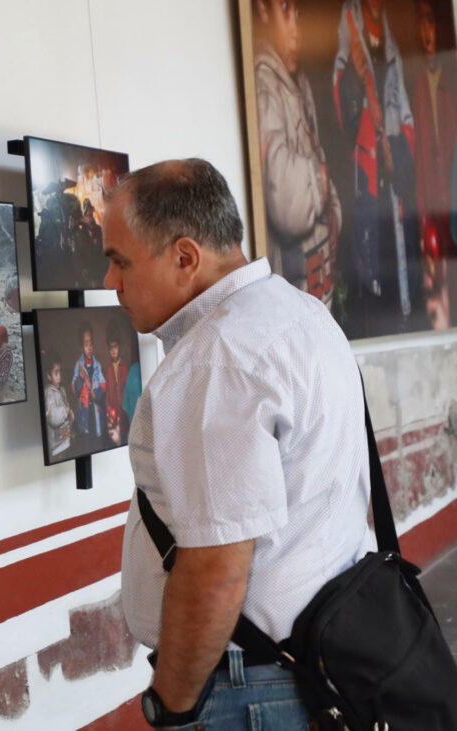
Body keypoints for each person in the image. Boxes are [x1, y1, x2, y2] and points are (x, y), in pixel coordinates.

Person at [105, 159, 371, 727]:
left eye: (119, 261)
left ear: (185, 257)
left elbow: (216, 570)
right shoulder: (298, 313)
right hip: (317, 658)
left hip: (251, 686)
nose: (111, 282)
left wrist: (172, 707)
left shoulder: (217, 358)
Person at [333, 0, 423, 333]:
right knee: (370, 269)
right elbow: (341, 110)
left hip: (394, 183)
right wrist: (356, 82)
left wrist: (395, 153)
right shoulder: (349, 28)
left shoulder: (391, 42)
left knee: (402, 271)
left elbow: (406, 114)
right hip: (366, 181)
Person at [253, 0, 340, 306]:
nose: (296, 31)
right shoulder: (264, 81)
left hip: (317, 284)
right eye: (286, 10)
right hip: (296, 289)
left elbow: (318, 157)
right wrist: (321, 179)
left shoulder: (297, 81)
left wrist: (332, 209)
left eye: (300, 15)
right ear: (263, 11)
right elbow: (288, 204)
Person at [411, 0, 455, 328]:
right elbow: (419, 157)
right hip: (431, 203)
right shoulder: (416, 85)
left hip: (450, 199)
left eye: (431, 23)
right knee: (435, 275)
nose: (427, 34)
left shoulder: (450, 82)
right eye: (421, 24)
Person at [71, 323, 106, 452]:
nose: (89, 347)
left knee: (97, 444)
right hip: (84, 415)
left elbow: (102, 387)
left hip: (96, 413)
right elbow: (74, 389)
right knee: (86, 445)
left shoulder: (97, 365)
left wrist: (94, 393)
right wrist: (81, 378)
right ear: (82, 346)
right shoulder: (78, 365)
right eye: (86, 344)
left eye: (91, 343)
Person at [101, 319, 130, 447]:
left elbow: (128, 391)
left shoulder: (124, 367)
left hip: (124, 413)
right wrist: (108, 408)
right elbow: (107, 392)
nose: (113, 351)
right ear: (108, 348)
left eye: (115, 347)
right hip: (113, 413)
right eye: (111, 348)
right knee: (115, 441)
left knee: (125, 439)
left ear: (119, 346)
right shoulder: (107, 369)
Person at [42, 353, 73, 460]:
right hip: (57, 447)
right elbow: (53, 418)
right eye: (56, 373)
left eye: (60, 372)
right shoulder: (48, 394)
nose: (59, 376)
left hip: (66, 440)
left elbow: (67, 407)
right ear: (49, 376)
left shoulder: (62, 390)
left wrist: (70, 415)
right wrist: (65, 411)